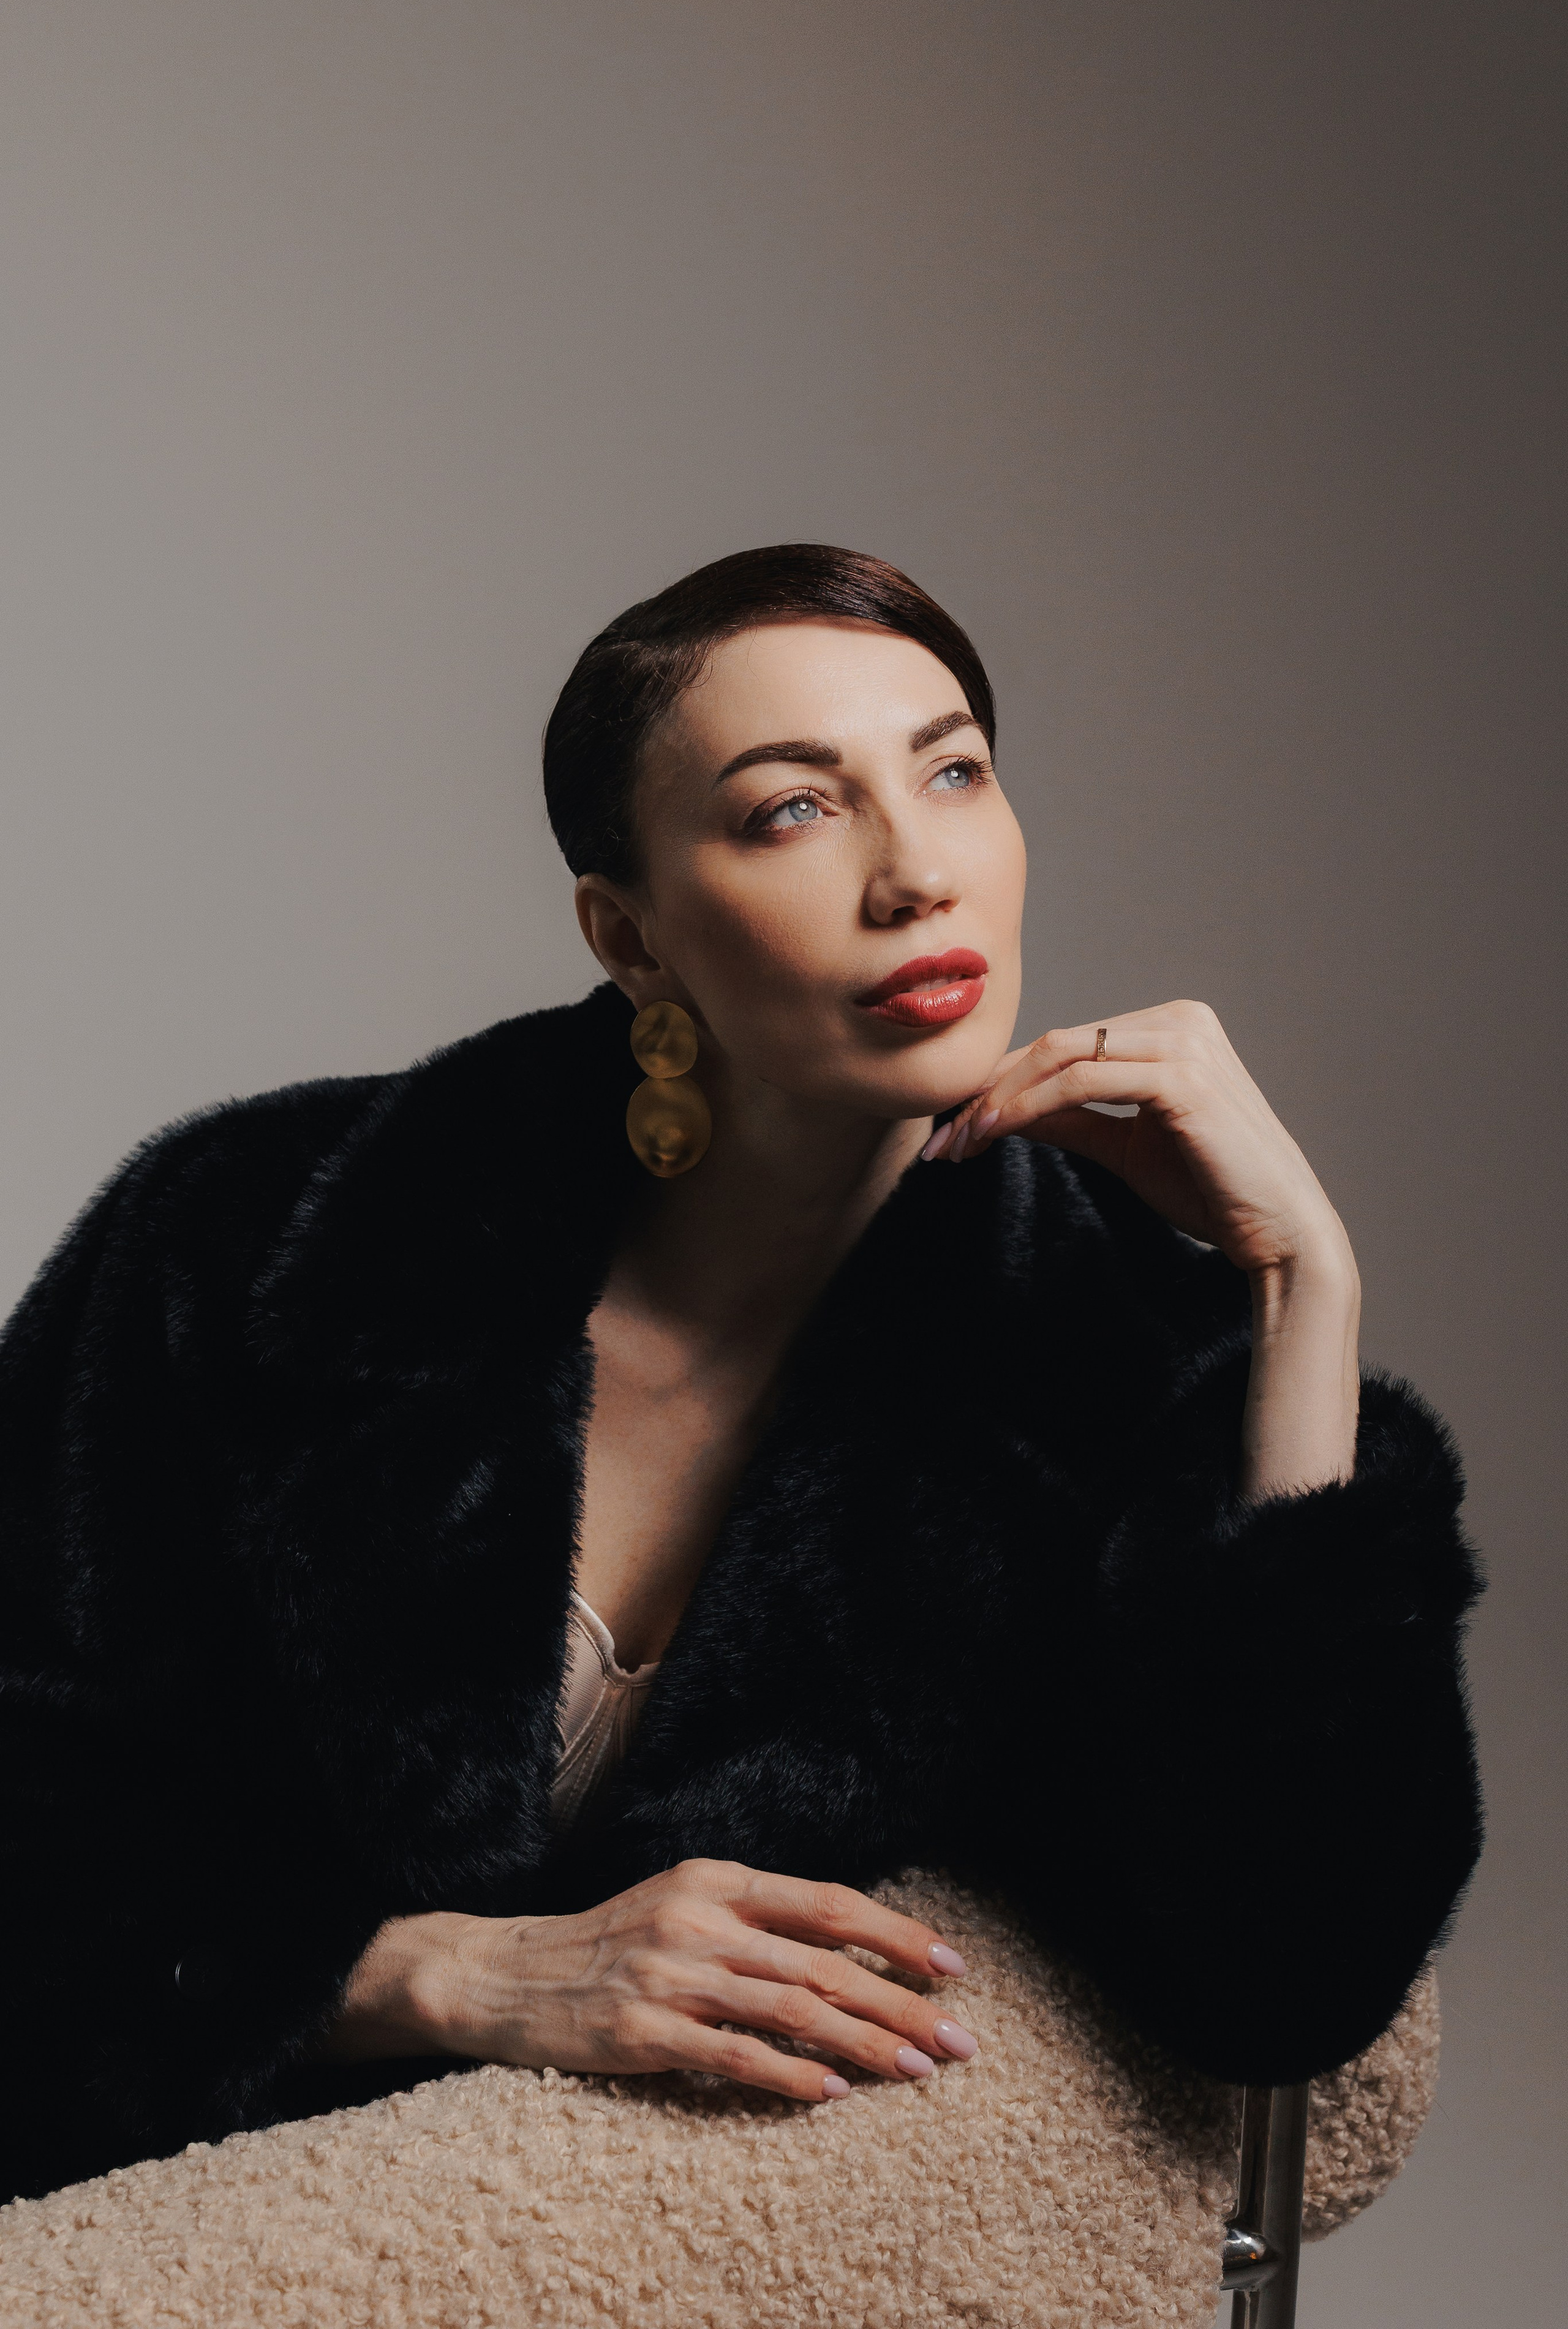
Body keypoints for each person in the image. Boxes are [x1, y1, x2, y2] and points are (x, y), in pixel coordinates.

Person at [0, 546, 1482, 2206]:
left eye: (954, 771)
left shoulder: (1118, 1364)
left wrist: (1302, 1291)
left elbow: (1286, 1977)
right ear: (632, 939)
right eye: (795, 808)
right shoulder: (255, 1238)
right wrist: (428, 1972)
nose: (920, 871)